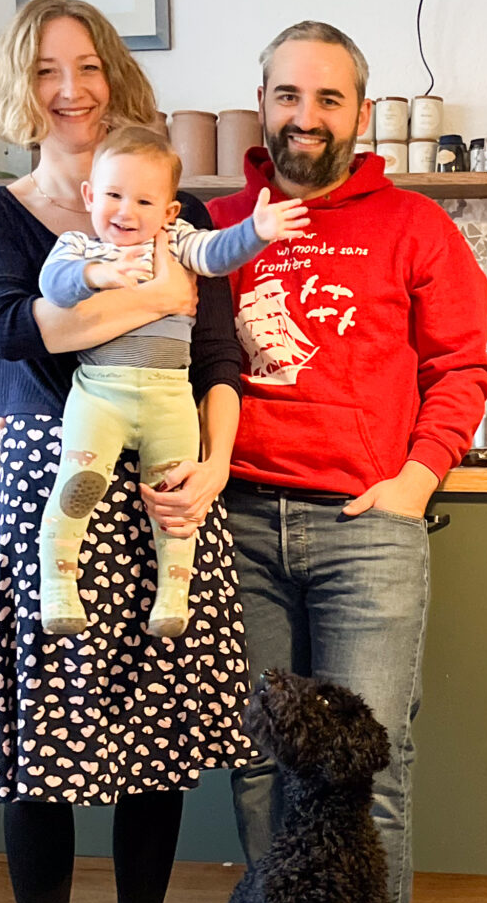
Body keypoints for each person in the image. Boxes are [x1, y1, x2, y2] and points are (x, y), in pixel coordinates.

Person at [0, 0, 253, 903]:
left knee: (155, 735)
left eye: (86, 66)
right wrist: (155, 287)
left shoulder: (184, 208)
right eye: (45, 70)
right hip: (58, 487)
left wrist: (212, 469)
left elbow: (217, 352)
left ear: (115, 75)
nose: (69, 89)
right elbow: (8, 330)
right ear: (17, 87)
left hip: (168, 481)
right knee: (44, 742)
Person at [207, 20, 487, 903]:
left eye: (329, 99)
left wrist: (417, 478)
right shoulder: (216, 229)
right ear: (261, 104)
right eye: (289, 95)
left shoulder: (414, 226)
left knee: (367, 759)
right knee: (259, 761)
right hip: (238, 523)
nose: (307, 117)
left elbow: (463, 365)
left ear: (360, 115)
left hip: (366, 526)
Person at [36, 125, 307, 637]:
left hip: (170, 395)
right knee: (76, 484)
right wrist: (95, 275)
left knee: (176, 499)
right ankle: (58, 588)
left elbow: (218, 253)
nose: (126, 211)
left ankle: (172, 598)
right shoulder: (79, 246)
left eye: (144, 201)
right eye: (113, 195)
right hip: (100, 392)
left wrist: (256, 232)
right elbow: (53, 285)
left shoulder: (178, 241)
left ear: (169, 211)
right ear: (90, 196)